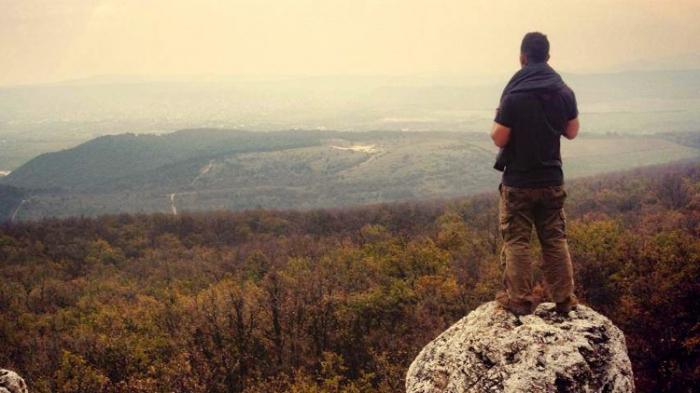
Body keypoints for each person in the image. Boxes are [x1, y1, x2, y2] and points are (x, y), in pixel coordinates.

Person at [490, 32, 579, 316]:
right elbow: (572, 131)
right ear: (548, 57)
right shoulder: (563, 91)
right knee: (554, 239)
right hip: (552, 180)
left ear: (522, 57)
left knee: (517, 241)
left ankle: (520, 301)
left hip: (518, 181)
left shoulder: (514, 95)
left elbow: (499, 138)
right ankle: (564, 300)